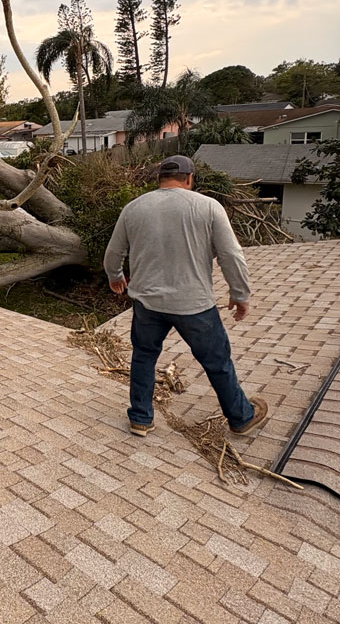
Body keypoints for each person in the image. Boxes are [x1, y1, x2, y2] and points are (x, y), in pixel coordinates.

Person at [103, 154, 267, 438]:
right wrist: (240, 294)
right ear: (190, 178)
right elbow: (231, 255)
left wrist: (116, 276)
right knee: (217, 362)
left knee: (143, 356)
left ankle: (141, 418)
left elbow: (113, 254)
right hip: (194, 305)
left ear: (159, 179)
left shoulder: (134, 208)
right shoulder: (208, 207)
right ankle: (241, 417)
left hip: (147, 304)